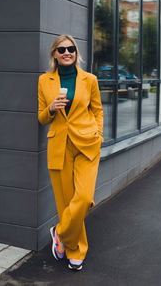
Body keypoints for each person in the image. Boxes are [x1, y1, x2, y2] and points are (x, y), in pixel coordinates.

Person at [38, 34, 103, 271]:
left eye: (71, 49)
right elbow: (41, 118)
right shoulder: (44, 80)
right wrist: (51, 109)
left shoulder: (90, 80)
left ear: (76, 53)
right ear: (54, 54)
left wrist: (99, 134)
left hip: (87, 144)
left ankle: (60, 232)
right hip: (59, 146)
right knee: (66, 203)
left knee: (84, 198)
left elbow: (97, 110)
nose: (67, 52)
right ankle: (75, 249)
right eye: (62, 49)